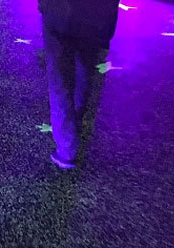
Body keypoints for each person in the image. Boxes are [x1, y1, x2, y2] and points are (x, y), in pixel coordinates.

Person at [38, 0, 120, 169]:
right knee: (84, 71)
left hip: (59, 10)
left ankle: (67, 147)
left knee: (60, 79)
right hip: (97, 15)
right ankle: (74, 128)